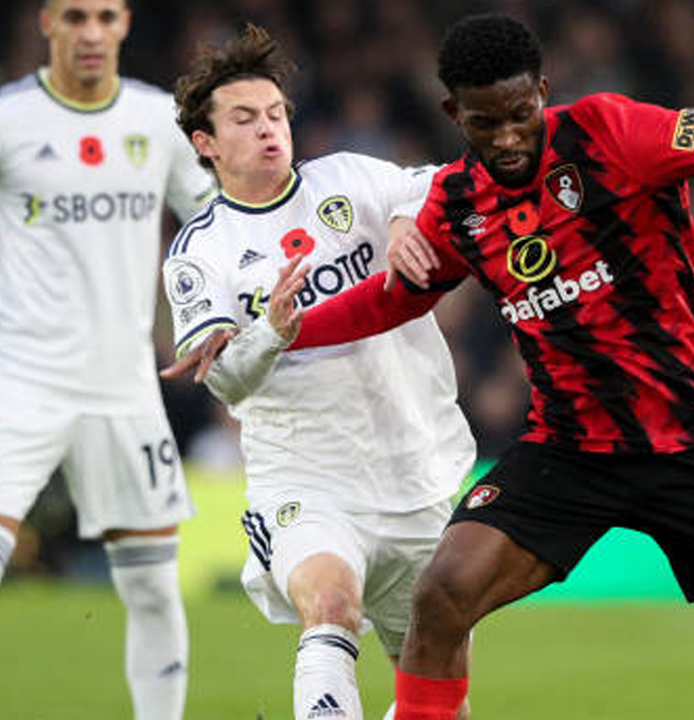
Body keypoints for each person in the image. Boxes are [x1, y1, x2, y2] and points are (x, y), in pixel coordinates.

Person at [274, 14, 694, 720]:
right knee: (440, 597)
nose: (507, 137)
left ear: (542, 90)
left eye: (520, 114)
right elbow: (389, 304)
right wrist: (284, 334)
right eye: (485, 123)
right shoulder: (455, 204)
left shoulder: (614, 134)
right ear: (454, 113)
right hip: (568, 451)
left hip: (693, 445)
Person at [0, 1, 214, 719]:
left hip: (124, 390)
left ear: (125, 23)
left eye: (105, 16)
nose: (90, 33)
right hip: (18, 383)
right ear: (46, 23)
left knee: (153, 586)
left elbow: (216, 225)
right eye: (74, 16)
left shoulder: (158, 123)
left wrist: (223, 316)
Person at [158, 25, 475, 720]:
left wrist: (401, 219)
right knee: (329, 606)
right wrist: (272, 329)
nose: (268, 130)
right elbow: (224, 380)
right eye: (244, 119)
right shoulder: (201, 253)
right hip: (309, 475)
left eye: (275, 115)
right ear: (204, 144)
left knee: (436, 690)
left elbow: (434, 186)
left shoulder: (350, 178)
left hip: (414, 465)